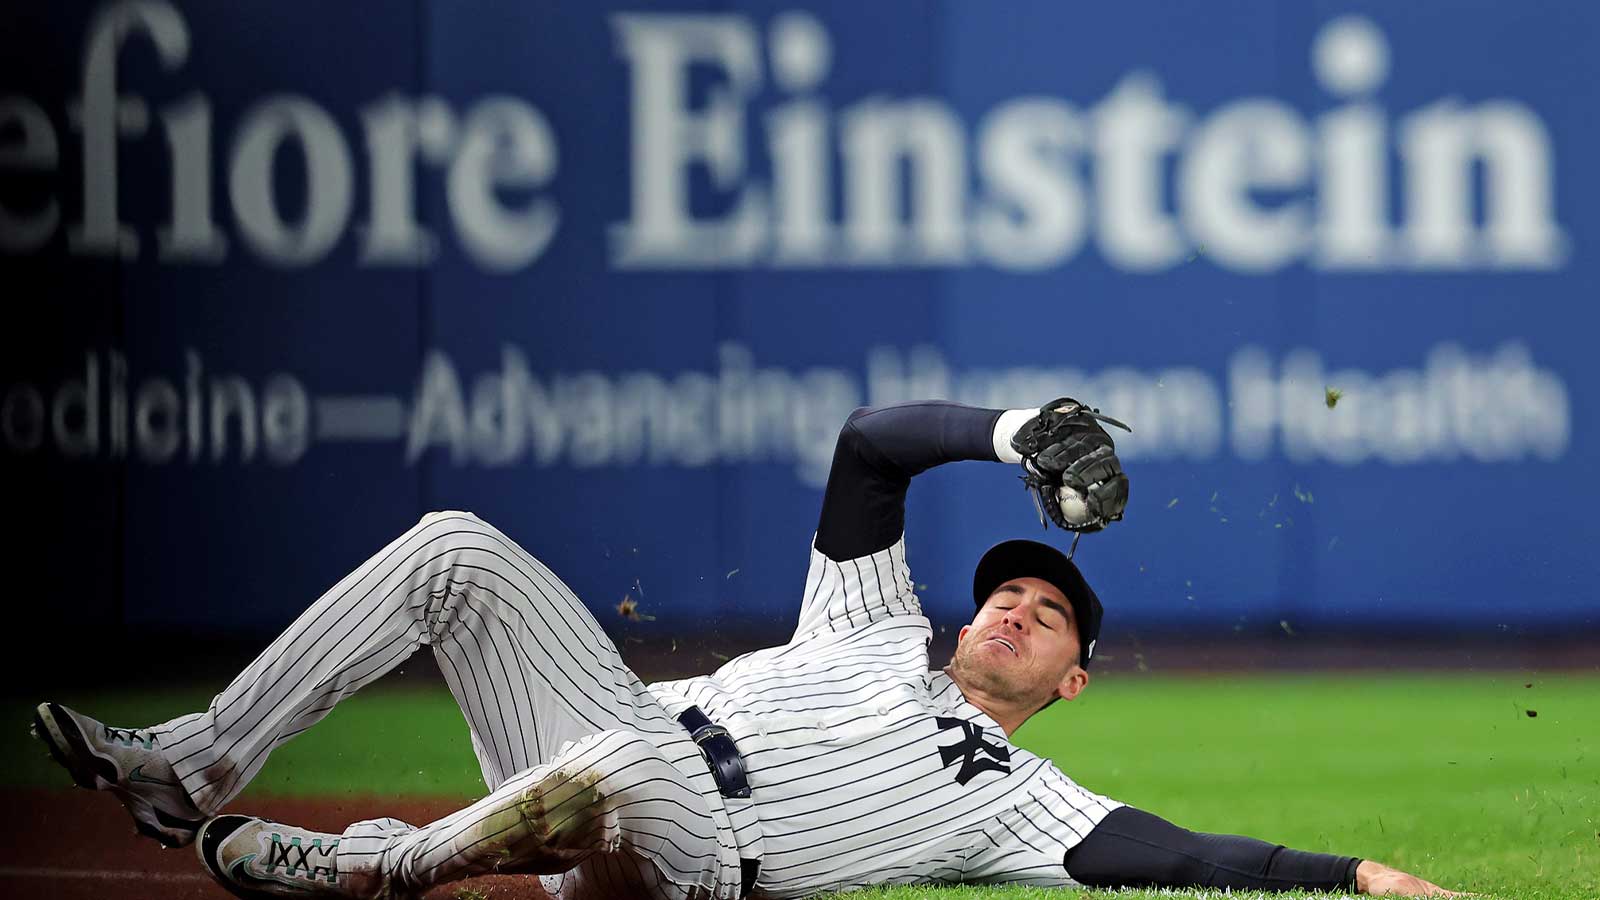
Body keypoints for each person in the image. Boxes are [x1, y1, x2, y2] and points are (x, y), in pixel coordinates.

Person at [34, 400, 1459, 899]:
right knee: (457, 542)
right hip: (597, 748)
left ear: (1072, 682)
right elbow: (868, 451)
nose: (1021, 607)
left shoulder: (1020, 802)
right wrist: (1013, 430)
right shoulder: (871, 625)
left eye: (1054, 617)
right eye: (1010, 593)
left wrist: (1358, 876)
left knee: (633, 771)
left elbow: (1184, 857)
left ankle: (366, 871)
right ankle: (193, 765)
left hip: (687, 843)